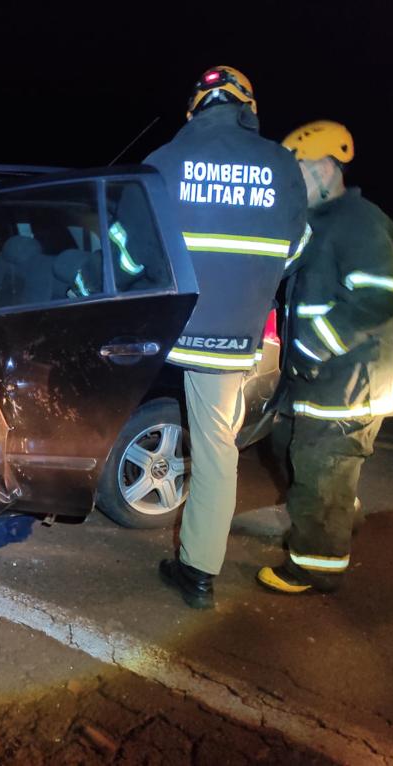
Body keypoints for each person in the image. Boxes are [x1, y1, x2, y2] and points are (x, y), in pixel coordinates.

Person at [145, 66, 308, 609]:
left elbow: (131, 248)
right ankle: (196, 572)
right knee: (217, 452)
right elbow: (297, 249)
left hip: (164, 328)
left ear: (195, 109)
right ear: (247, 107)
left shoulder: (166, 159)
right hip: (232, 340)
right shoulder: (282, 165)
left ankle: (194, 571)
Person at [257, 121, 393, 595]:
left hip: (348, 382)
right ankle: (335, 517)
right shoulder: (318, 223)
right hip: (316, 380)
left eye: (298, 173)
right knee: (294, 453)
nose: (292, 184)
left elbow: (383, 297)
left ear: (327, 168)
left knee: (320, 469)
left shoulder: (360, 222)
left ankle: (315, 566)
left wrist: (313, 346)